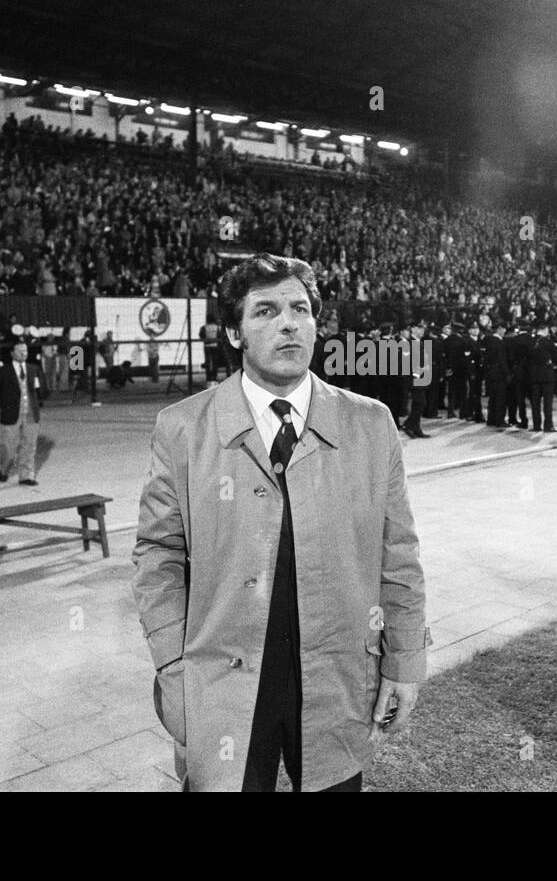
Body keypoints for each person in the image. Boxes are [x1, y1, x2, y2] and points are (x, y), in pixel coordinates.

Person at [132, 252, 429, 793]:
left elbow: (398, 555)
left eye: (299, 309)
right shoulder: (182, 428)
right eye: (265, 311)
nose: (288, 322)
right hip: (223, 675)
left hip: (337, 673)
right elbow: (157, 556)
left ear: (317, 323)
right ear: (234, 333)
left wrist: (404, 662)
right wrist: (174, 664)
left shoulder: (370, 423)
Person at [0, 338, 46, 485]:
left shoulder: (34, 369)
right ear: (12, 353)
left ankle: (26, 476)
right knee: (8, 448)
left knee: (29, 446)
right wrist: (6, 404)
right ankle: (4, 469)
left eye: (25, 351)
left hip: (31, 414)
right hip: (11, 415)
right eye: (20, 351)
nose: (23, 353)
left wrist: (40, 390)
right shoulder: (3, 371)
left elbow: (44, 391)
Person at [526, 321, 557, 432]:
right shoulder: (547, 342)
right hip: (546, 375)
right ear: (545, 329)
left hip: (533, 375)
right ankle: (548, 425)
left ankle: (536, 425)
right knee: (547, 403)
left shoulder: (530, 341)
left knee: (535, 403)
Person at [402, 321, 430, 439]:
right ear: (413, 329)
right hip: (413, 378)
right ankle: (410, 425)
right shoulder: (409, 343)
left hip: (421, 377)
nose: (422, 330)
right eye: (420, 328)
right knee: (420, 402)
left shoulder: (419, 342)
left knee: (419, 403)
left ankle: (413, 426)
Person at [482, 319, 508, 428]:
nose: (505, 331)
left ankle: (491, 419)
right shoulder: (498, 342)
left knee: (492, 397)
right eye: (504, 329)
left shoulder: (488, 340)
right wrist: (507, 372)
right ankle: (499, 420)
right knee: (500, 397)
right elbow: (501, 359)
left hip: (490, 372)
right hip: (499, 373)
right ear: (499, 329)